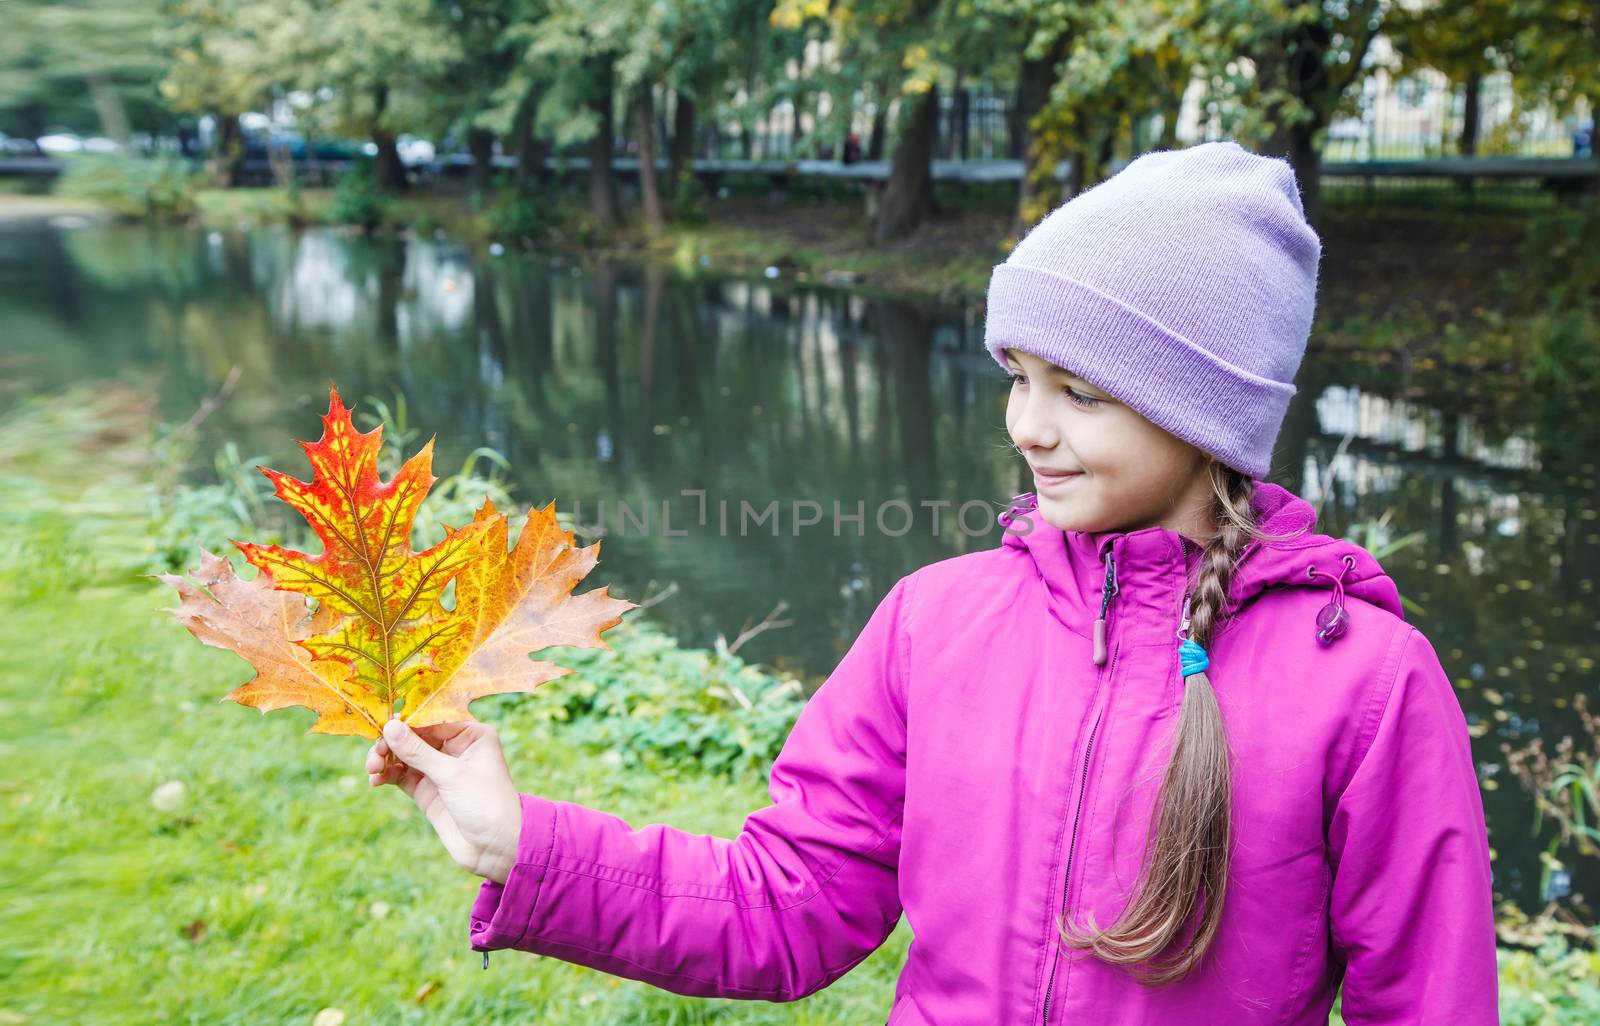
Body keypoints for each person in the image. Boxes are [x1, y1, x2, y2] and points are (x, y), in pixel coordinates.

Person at [364, 140, 1499, 1024]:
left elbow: (1429, 1003)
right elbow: (787, 902)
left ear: (1207, 413)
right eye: (1017, 376)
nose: (1027, 427)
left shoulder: (1366, 681)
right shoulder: (935, 621)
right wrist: (529, 846)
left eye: (1080, 392)